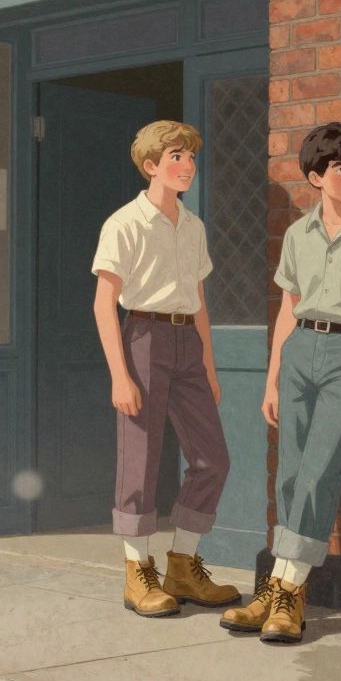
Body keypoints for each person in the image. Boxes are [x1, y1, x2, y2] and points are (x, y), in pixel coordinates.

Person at [220, 123, 341, 644]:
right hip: (300, 349)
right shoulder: (299, 234)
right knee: (289, 474)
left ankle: (290, 594)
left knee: (318, 472)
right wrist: (273, 378)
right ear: (316, 177)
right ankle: (276, 586)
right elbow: (286, 308)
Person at [91, 120, 242, 619]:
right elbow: (104, 303)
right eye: (176, 157)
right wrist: (119, 373)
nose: (187, 167)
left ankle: (183, 563)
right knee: (142, 459)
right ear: (151, 165)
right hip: (144, 338)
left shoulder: (193, 225)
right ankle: (138, 573)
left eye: (191, 158)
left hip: (187, 344)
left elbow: (199, 301)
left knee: (212, 459)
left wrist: (210, 366)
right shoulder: (124, 223)